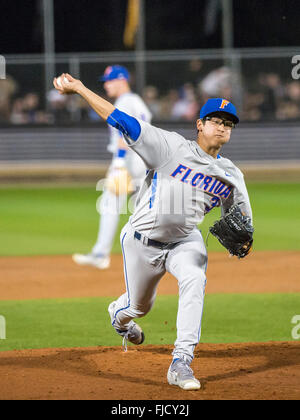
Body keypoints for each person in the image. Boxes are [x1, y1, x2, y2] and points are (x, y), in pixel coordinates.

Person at [54, 74, 253, 391]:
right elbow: (120, 119)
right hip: (141, 243)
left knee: (195, 278)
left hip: (185, 242)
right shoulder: (169, 146)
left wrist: (245, 237)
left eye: (228, 123)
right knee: (138, 307)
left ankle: (181, 361)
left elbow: (240, 217)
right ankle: (119, 317)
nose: (222, 127)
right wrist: (78, 88)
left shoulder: (232, 176)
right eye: (215, 120)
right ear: (199, 125)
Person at [72, 66, 152, 269]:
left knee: (111, 204)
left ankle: (101, 254)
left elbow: (126, 133)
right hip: (144, 160)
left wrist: (119, 161)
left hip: (128, 160)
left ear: (122, 80)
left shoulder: (125, 102)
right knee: (143, 209)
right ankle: (154, 253)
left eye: (109, 80)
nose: (106, 84)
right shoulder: (137, 101)